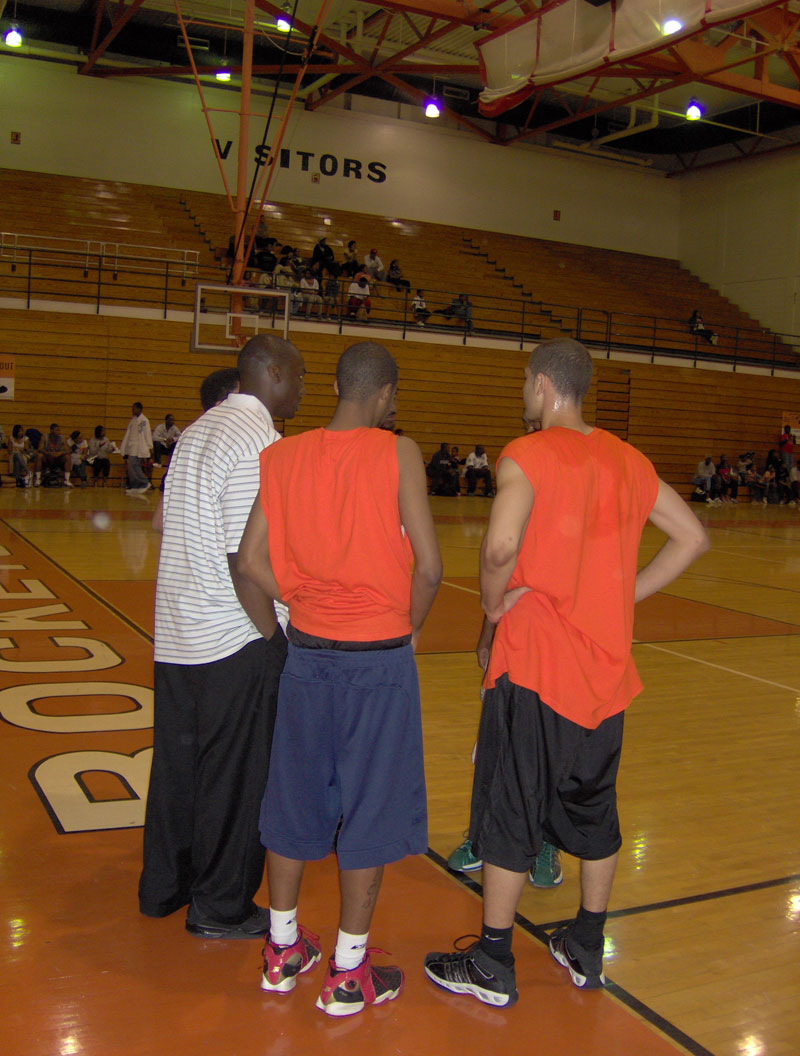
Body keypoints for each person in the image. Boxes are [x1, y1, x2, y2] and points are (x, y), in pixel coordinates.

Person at [424, 337, 709, 1008]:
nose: (524, 392)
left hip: (536, 666)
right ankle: (586, 943)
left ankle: (493, 961)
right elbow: (693, 537)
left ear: (545, 388)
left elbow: (499, 545)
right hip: (604, 677)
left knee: (511, 808)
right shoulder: (628, 459)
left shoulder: (526, 454)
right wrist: (623, 595)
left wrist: (493, 605)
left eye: (526, 381)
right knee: (594, 810)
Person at [237, 341, 442, 1017]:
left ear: (334, 385)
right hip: (376, 658)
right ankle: (349, 972)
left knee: (292, 801)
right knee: (371, 811)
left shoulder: (282, 456)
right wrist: (405, 626)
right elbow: (431, 568)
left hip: (309, 654)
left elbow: (248, 560)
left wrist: (296, 602)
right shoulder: (398, 451)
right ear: (386, 395)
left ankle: (281, 951)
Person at [138, 335, 306, 940]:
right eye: (300, 376)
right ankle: (221, 904)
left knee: (180, 768)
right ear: (274, 373)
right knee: (236, 778)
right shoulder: (260, 442)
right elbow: (247, 561)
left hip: (180, 633)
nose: (304, 389)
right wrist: (274, 642)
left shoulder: (198, 431)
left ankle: (165, 886)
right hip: (234, 636)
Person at [120, 402, 153, 495]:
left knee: (134, 466)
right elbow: (128, 435)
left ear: (139, 409)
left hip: (139, 448)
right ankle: (135, 485)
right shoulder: (133, 420)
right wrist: (125, 448)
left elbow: (146, 434)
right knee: (132, 467)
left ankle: (144, 482)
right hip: (132, 447)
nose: (132, 410)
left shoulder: (144, 421)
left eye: (134, 408)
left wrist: (149, 447)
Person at [41, 422, 71, 487]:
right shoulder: (45, 437)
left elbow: (68, 450)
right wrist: (48, 453)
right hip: (48, 457)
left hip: (58, 458)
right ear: (51, 430)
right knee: (39, 456)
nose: (59, 432)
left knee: (67, 457)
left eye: (59, 430)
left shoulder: (62, 438)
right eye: (57, 430)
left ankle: (67, 480)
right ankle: (37, 479)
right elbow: (40, 449)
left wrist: (60, 453)